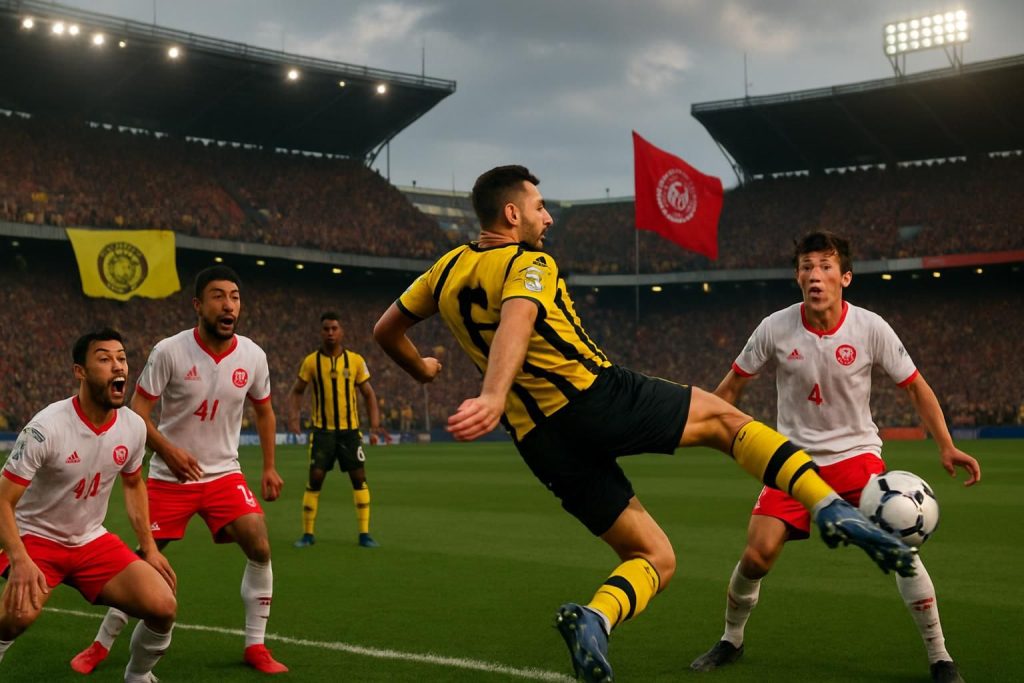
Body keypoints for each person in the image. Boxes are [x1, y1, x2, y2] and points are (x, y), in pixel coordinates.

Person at [372, 165, 916, 682]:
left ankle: (595, 619)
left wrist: (422, 368)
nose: (548, 217)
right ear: (512, 215)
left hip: (539, 441)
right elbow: (520, 315)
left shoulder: (443, 270)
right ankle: (832, 509)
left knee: (654, 556)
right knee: (727, 421)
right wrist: (490, 394)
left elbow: (385, 330)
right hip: (592, 396)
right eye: (540, 206)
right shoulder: (529, 263)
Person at [689, 231, 981, 683]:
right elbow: (730, 389)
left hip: (857, 459)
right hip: (790, 461)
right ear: (797, 277)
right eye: (806, 267)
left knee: (901, 547)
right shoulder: (774, 327)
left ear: (845, 277)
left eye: (825, 267)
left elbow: (916, 386)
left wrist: (946, 444)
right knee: (757, 556)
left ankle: (940, 657)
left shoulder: (870, 327)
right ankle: (731, 640)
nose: (815, 276)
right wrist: (695, 427)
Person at [71, 266, 288, 675]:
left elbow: (265, 410)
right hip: (170, 478)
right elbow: (138, 413)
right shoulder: (169, 351)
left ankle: (255, 646)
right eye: (218, 296)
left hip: (224, 473)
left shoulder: (254, 356)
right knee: (142, 563)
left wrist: (270, 467)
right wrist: (167, 451)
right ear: (198, 305)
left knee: (259, 543)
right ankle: (100, 644)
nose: (229, 304)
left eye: (235, 296)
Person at [0, 329, 176, 682]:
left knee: (162, 605)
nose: (118, 367)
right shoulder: (46, 427)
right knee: (16, 619)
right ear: (80, 371)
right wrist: (19, 559)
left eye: (122, 358)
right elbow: (3, 499)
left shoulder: (132, 427)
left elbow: (133, 483)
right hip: (36, 539)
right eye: (105, 359)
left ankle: (138, 676)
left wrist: (150, 548)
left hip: (90, 541)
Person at [287, 311, 389, 548]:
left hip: (350, 432)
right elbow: (296, 391)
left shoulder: (354, 361)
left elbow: (368, 394)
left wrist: (374, 423)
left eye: (334, 328)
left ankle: (364, 533)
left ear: (341, 332)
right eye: (326, 329)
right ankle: (308, 534)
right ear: (321, 332)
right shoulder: (311, 361)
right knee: (315, 478)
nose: (330, 333)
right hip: (322, 432)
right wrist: (294, 417)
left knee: (359, 478)